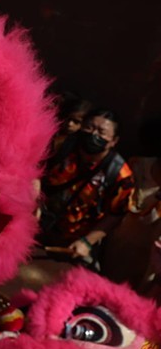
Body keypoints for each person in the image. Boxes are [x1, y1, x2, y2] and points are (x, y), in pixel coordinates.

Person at [41, 109, 136, 263]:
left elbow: (116, 214)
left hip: (72, 242)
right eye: (90, 127)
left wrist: (87, 241)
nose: (94, 134)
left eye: (102, 132)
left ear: (113, 141)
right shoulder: (60, 145)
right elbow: (35, 169)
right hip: (35, 224)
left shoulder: (120, 175)